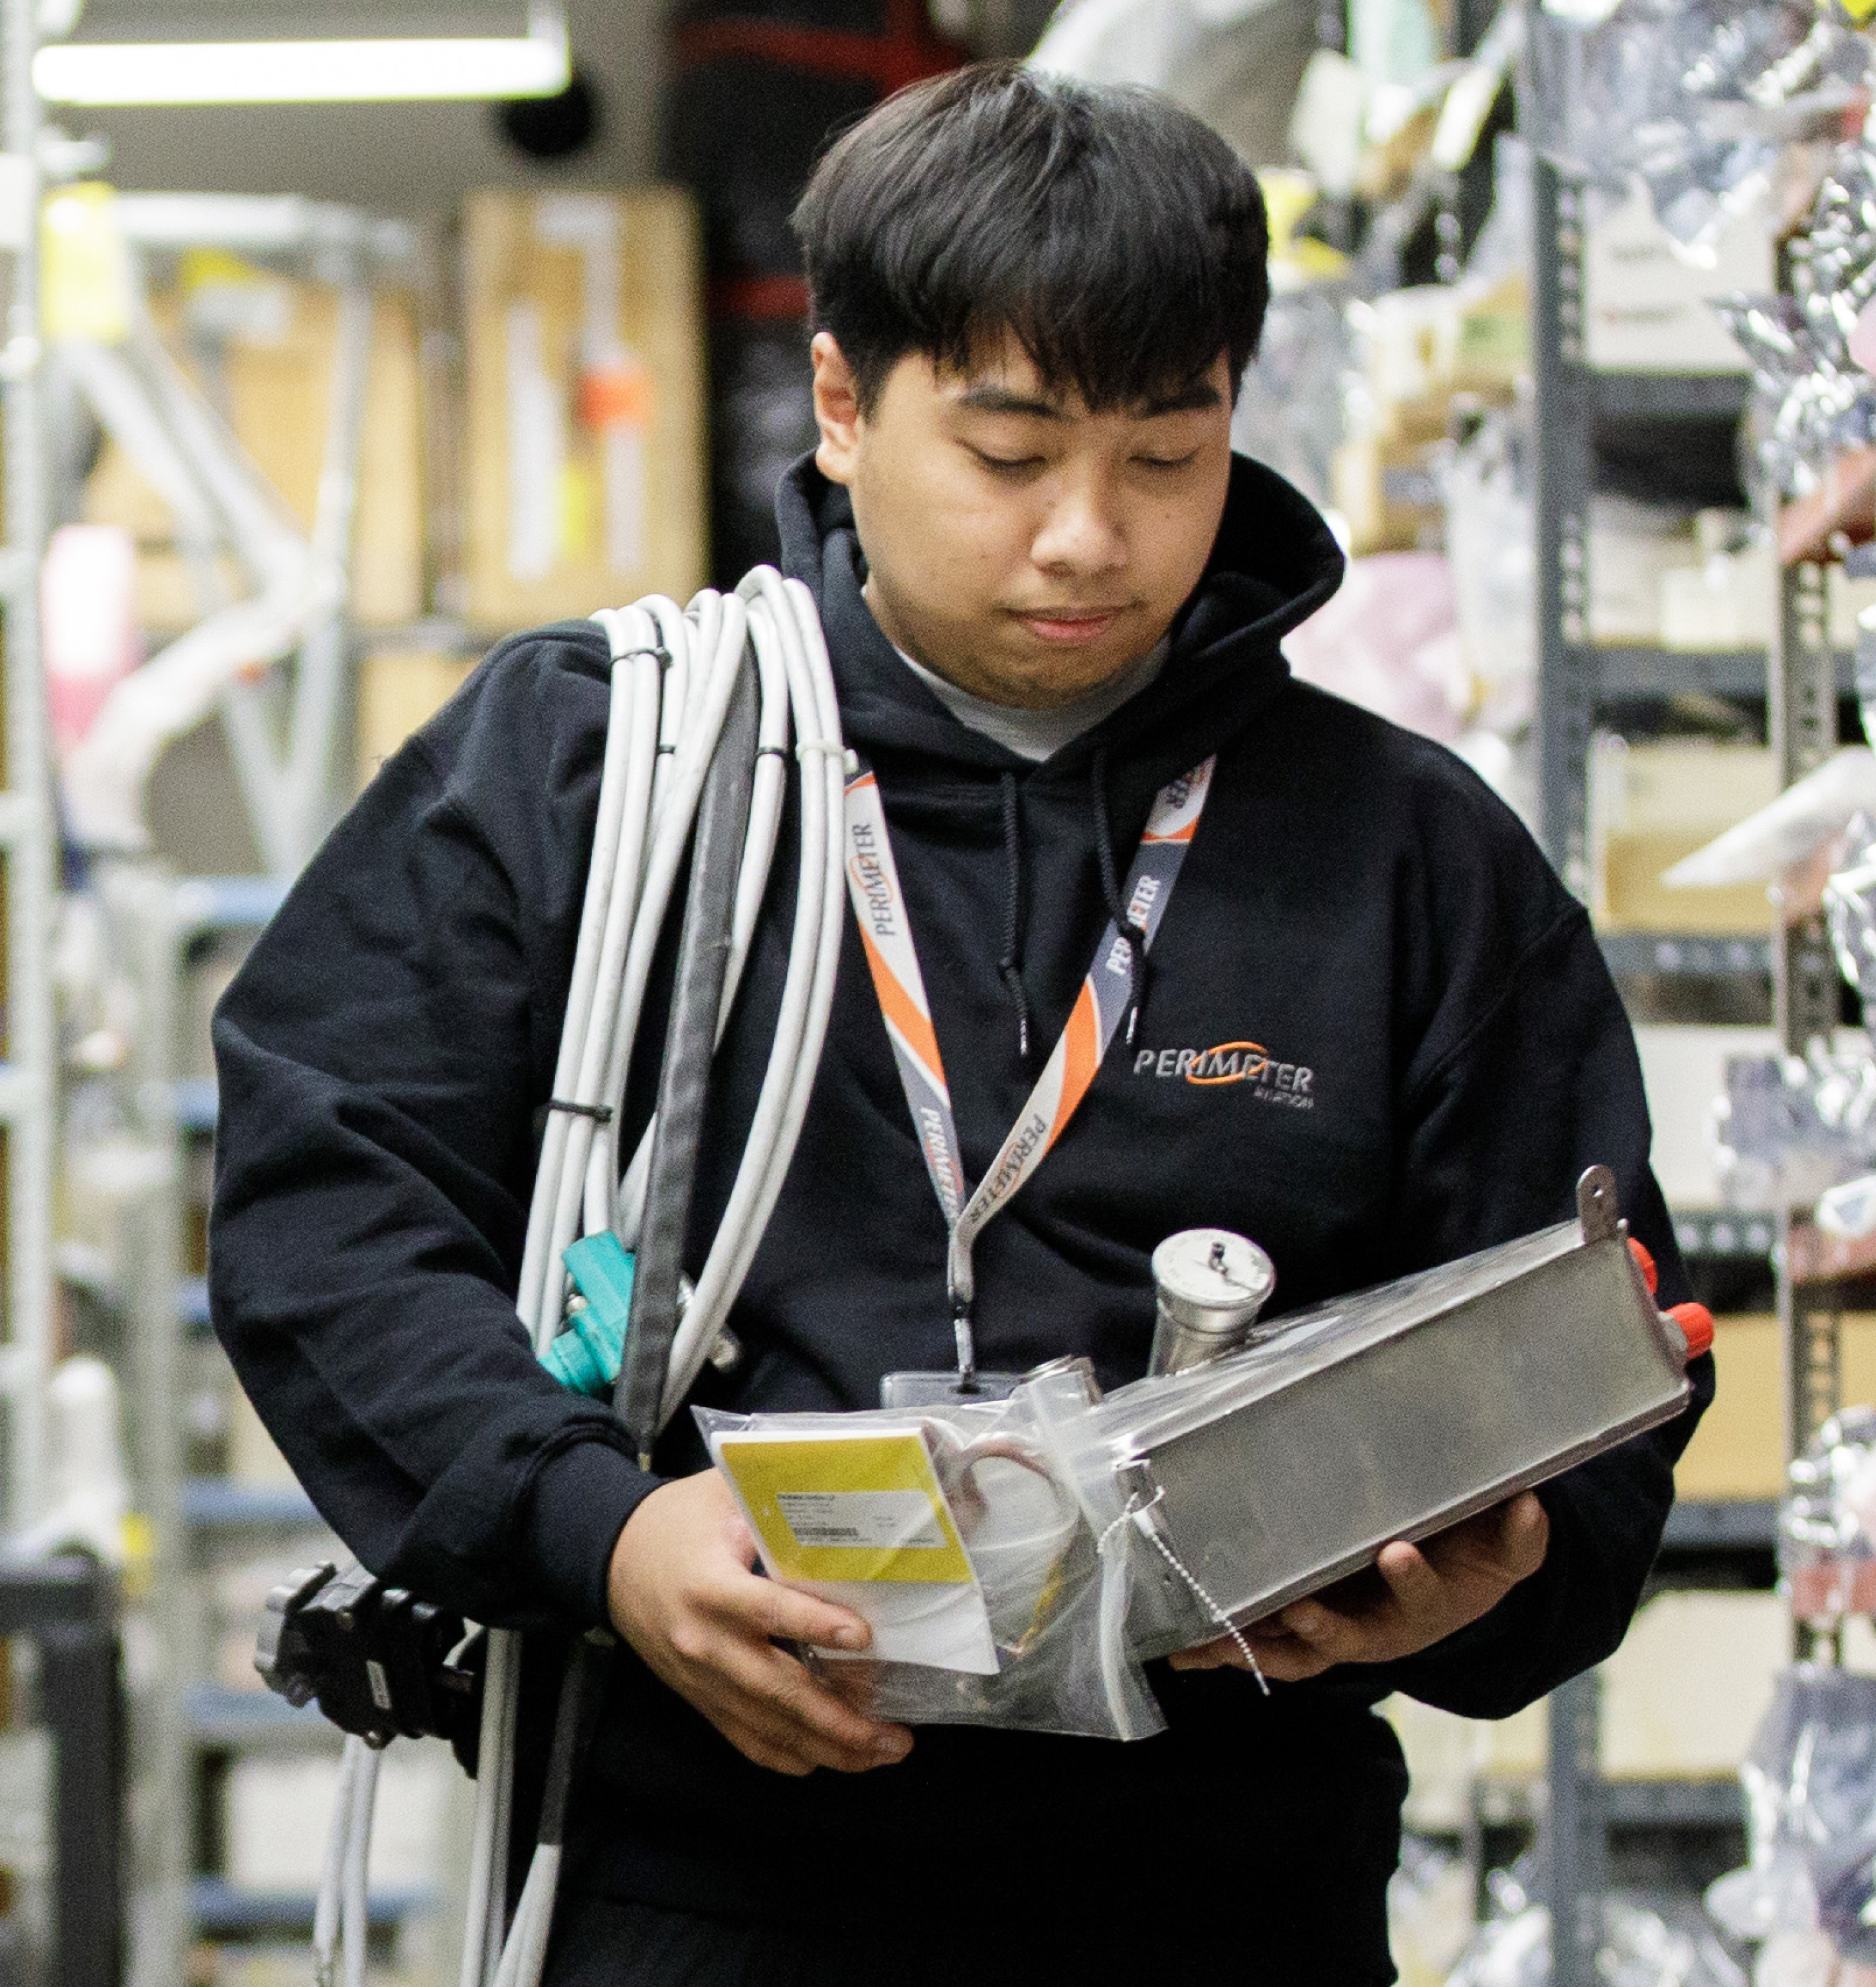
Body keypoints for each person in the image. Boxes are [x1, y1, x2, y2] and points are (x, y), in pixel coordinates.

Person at [209, 61, 1711, 1987]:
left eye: (1165, 455)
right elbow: (322, 1197)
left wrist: (1502, 1577)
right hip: (698, 1885)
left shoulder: (1405, 858)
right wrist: (597, 1530)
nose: (1089, 535)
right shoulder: (601, 766)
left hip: (1222, 1897)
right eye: (1009, 455)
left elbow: (1578, 1333)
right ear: (840, 402)